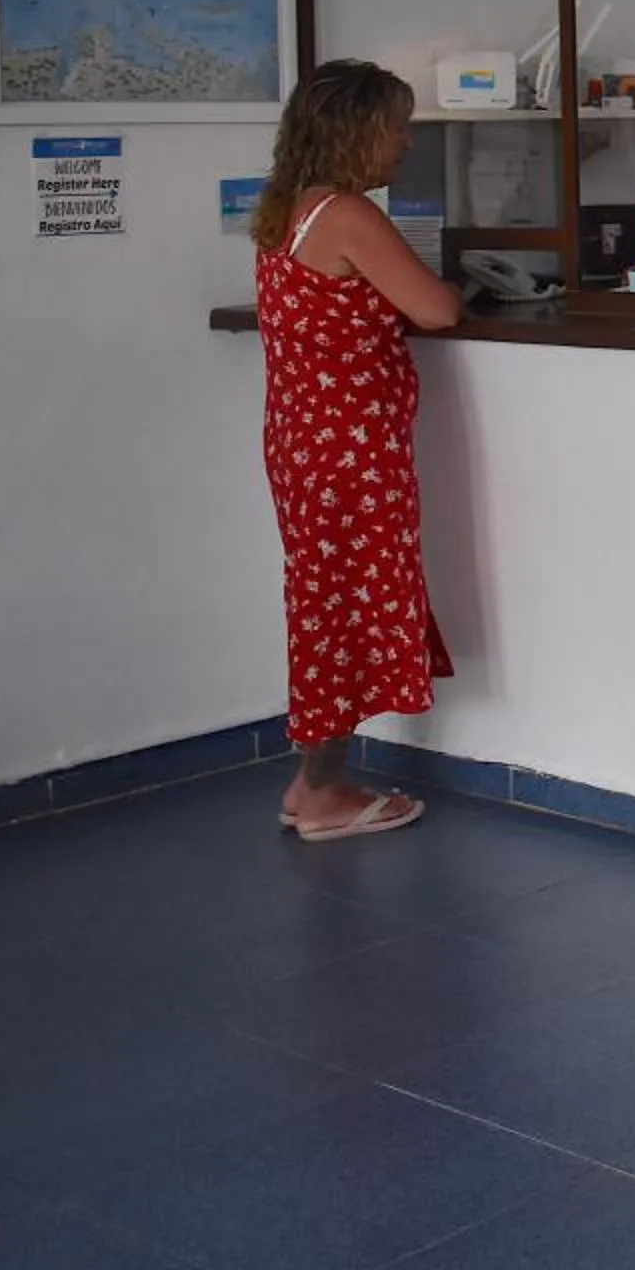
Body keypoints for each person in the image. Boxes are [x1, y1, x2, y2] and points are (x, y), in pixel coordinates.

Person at [250, 59, 464, 841]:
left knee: (324, 600)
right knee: (343, 607)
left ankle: (314, 781)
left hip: (303, 440)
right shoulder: (346, 213)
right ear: (357, 133)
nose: (406, 143)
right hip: (350, 450)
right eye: (398, 126)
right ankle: (322, 790)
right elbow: (436, 309)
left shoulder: (287, 210)